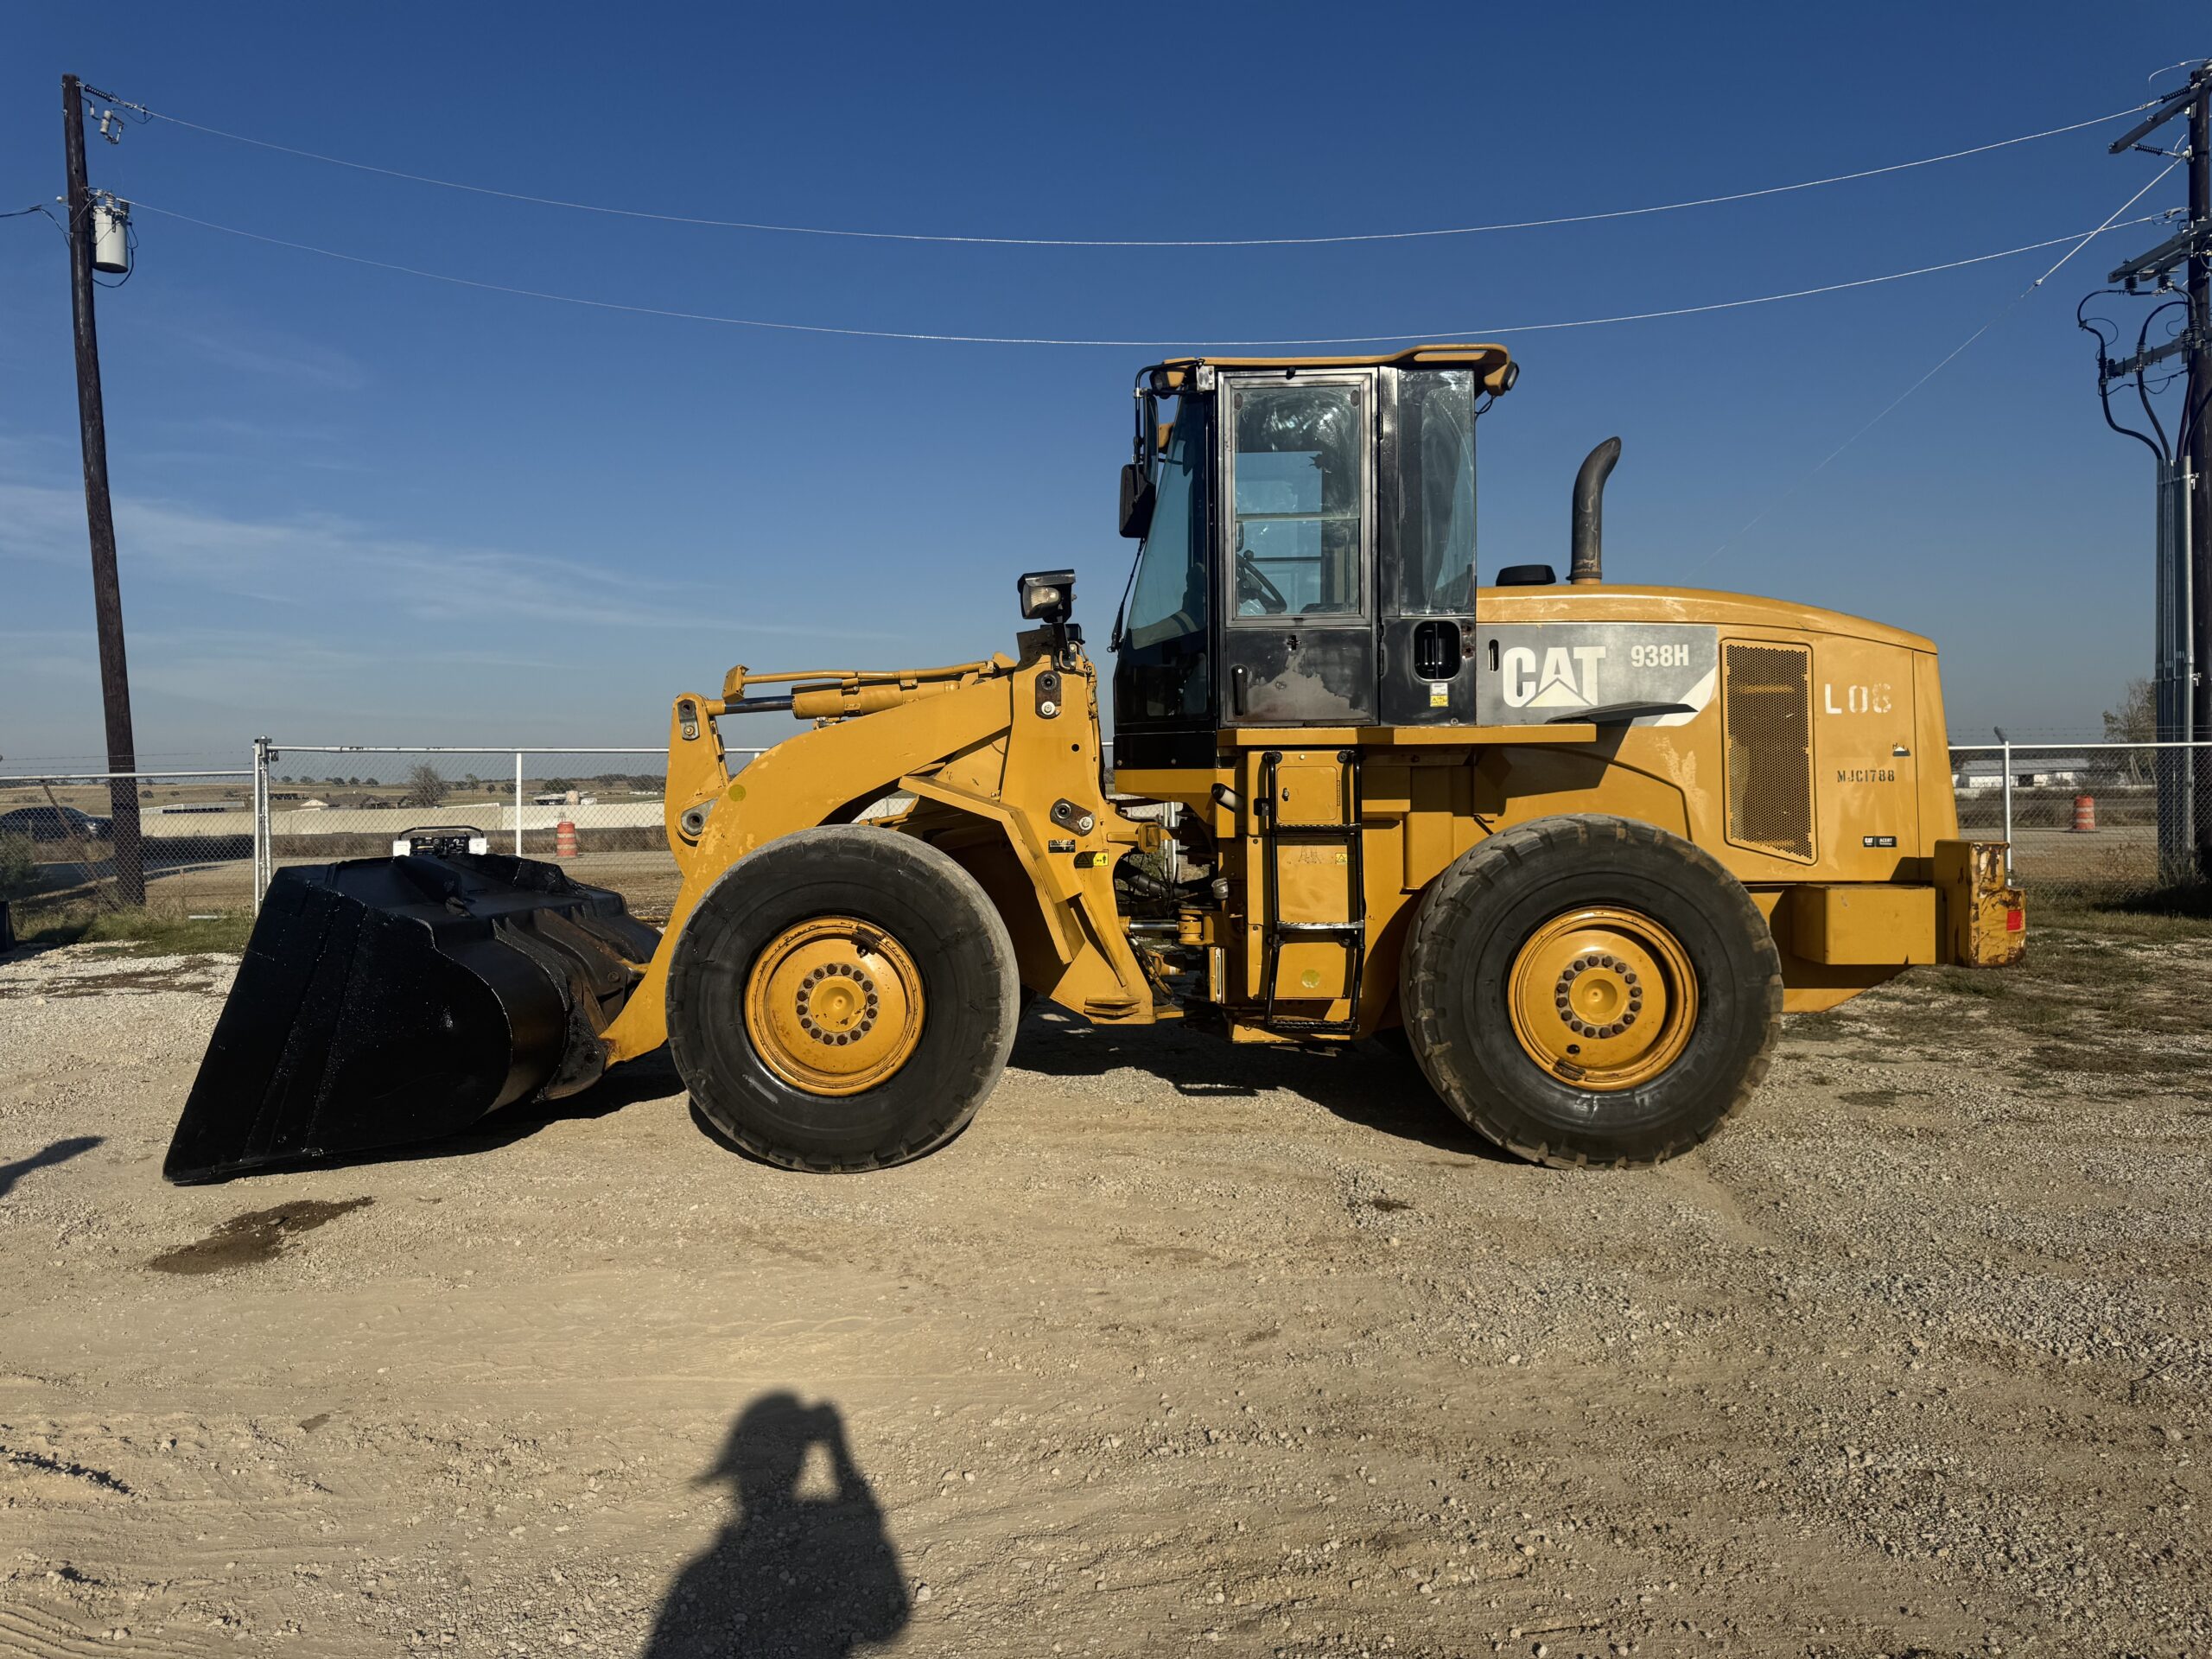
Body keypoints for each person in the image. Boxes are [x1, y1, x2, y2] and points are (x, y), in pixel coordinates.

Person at [643, 1393, 909, 1658]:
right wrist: (837, 1449)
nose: (740, 1485)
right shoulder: (699, 1572)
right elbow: (888, 1622)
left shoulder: (697, 1573)